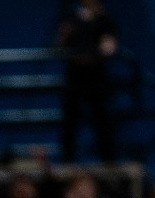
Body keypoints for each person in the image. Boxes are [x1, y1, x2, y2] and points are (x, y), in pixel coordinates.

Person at [55, 0, 120, 163]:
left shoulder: (105, 20)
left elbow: (109, 47)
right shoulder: (70, 18)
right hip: (74, 79)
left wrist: (94, 55)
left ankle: (108, 160)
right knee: (70, 120)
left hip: (97, 79)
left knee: (103, 120)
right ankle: (67, 160)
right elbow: (61, 44)